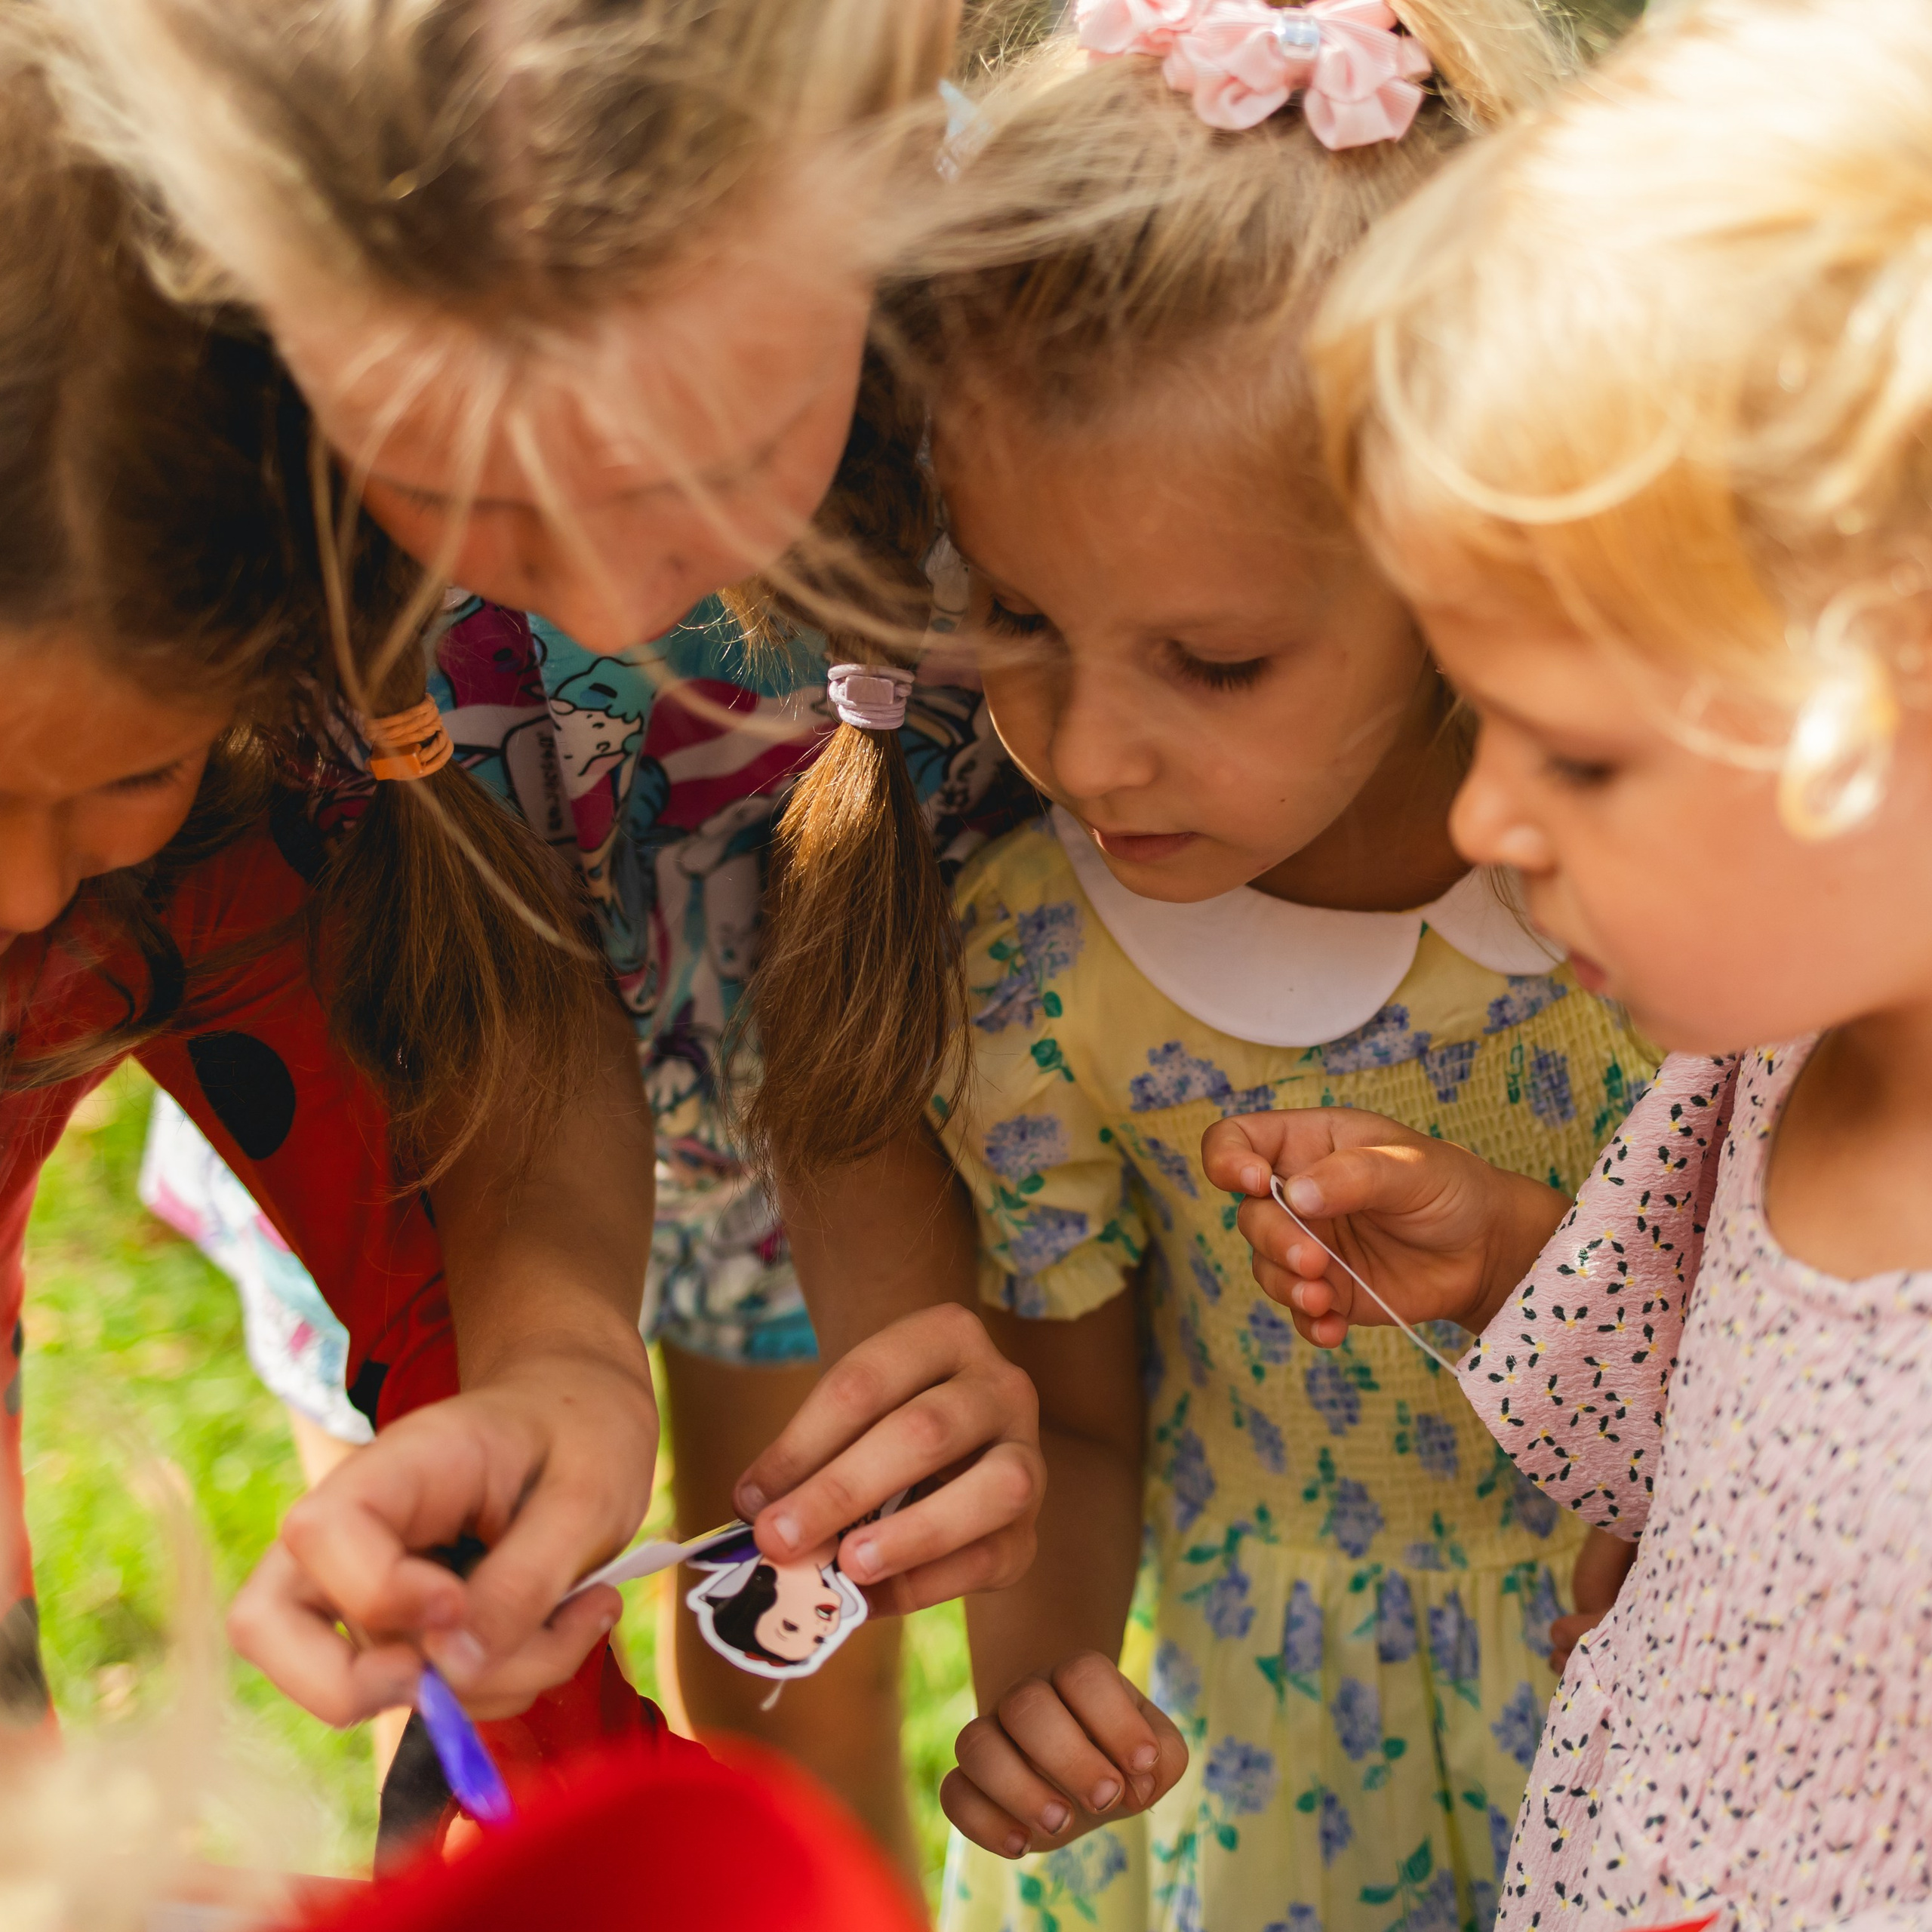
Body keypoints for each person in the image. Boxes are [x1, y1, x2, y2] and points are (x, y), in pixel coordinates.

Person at [40, 0, 1052, 1816]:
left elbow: (861, 952)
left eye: (695, 463)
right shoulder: (253, 476)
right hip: (427, 1103)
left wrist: (910, 1340)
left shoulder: (1036, 367)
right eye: (453, 489)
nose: (595, 584)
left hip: (846, 1098)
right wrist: (546, 1366)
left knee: (794, 1690)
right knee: (473, 1645)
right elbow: (493, 976)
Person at [746, 6, 1657, 1928]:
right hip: (1262, 1760)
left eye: (1213, 663)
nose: (1083, 753)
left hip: (1647, 1703)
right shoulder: (1042, 972)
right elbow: (1077, 1422)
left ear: (1449, 553)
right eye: (1013, 614)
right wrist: (1044, 1688)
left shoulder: (1660, 898)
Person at [1208, 1, 1932, 1924]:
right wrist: (1510, 1253)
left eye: (1579, 757)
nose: (1480, 817)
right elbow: (1736, 1457)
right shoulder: (1766, 1064)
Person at [0, 57, 687, 1790]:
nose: (27, 892)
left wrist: (552, 1372)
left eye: (128, 776)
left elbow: (477, 1072)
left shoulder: (246, 833)